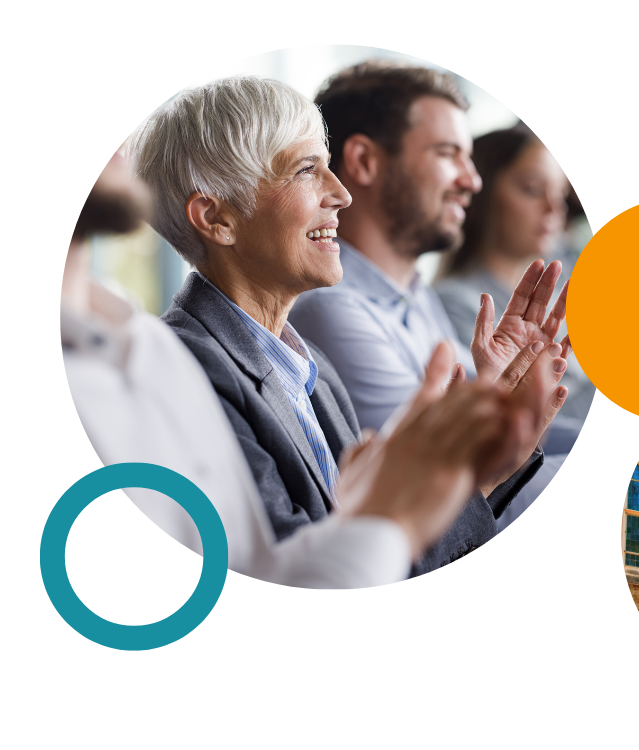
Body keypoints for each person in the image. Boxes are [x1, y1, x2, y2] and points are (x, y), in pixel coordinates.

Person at [129, 75, 567, 578]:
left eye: (329, 167)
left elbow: (374, 544)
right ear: (216, 218)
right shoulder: (186, 374)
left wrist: (491, 429)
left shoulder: (317, 371)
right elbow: (325, 571)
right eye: (305, 170)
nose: (341, 194)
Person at [288, 62, 573, 529]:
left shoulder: (416, 296)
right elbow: (458, 487)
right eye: (448, 154)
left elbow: (504, 452)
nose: (472, 180)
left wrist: (510, 393)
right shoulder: (330, 310)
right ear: (363, 162)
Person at [434, 126, 597, 425]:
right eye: (533, 189)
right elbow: (539, 426)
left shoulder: (570, 273)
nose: (554, 207)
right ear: (481, 194)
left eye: (559, 193)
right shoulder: (459, 304)